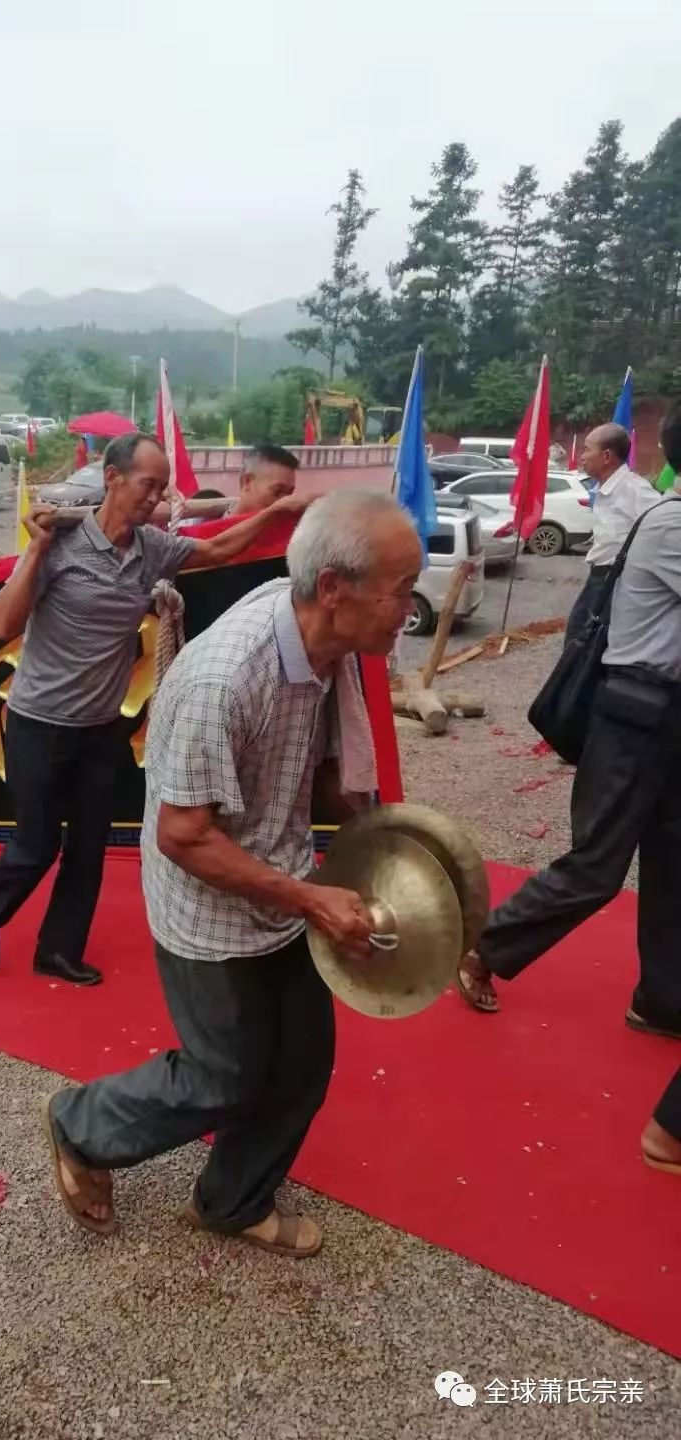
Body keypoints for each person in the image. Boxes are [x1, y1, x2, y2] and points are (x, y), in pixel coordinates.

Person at [40, 491, 423, 1252]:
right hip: (207, 905)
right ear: (336, 589)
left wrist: (387, 845)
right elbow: (185, 838)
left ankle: (232, 1201)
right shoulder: (226, 677)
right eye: (400, 591)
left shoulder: (327, 644)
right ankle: (79, 1125)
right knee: (225, 1076)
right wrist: (312, 897)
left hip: (280, 878)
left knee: (303, 1064)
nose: (407, 610)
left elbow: (321, 768)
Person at [0, 431, 310, 988]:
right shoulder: (60, 544)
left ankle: (57, 949)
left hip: (100, 730)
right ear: (113, 478)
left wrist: (283, 510)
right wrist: (35, 549)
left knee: (87, 847)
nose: (156, 497)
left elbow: (220, 549)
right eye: (148, 485)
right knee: (36, 844)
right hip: (38, 725)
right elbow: (2, 623)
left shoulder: (153, 549)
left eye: (162, 487)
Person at [458, 403, 681, 1045]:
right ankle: (485, 949)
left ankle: (664, 1000)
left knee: (673, 863)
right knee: (597, 867)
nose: (583, 459)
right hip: (636, 712)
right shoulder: (670, 524)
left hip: (668, 718)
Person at [565, 423, 658, 643]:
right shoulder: (605, 488)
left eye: (587, 449)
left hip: (616, 581)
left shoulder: (634, 490)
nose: (582, 456)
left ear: (606, 456)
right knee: (577, 639)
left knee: (587, 644)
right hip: (598, 577)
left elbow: (663, 527)